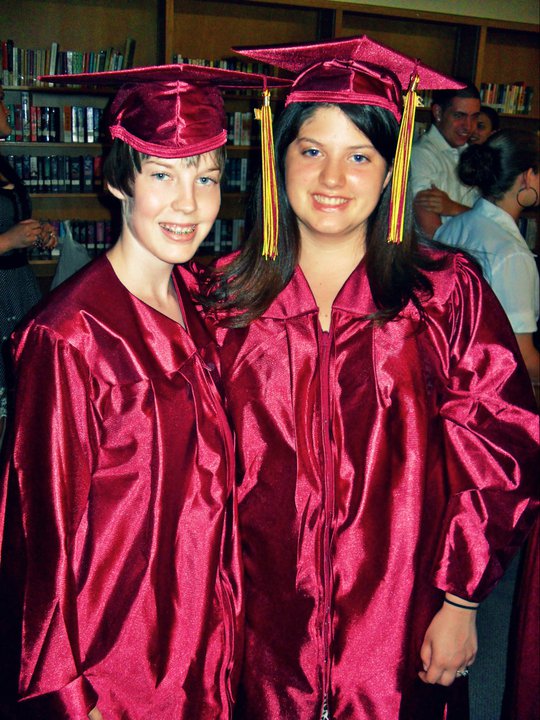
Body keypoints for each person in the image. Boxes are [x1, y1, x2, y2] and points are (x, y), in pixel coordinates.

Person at [198, 36, 539, 720]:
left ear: (392, 171)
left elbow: (498, 448)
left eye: (360, 156)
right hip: (253, 630)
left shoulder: (443, 295)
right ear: (278, 158)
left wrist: (462, 599)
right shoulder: (220, 301)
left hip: (403, 623)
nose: (332, 178)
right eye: (311, 150)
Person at [0, 64, 288, 720]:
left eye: (206, 177)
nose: (189, 204)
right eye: (162, 174)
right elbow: (41, 537)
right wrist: (75, 697)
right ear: (115, 179)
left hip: (205, 633)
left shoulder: (201, 303)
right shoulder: (69, 336)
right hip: (121, 666)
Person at [436, 129, 539, 388]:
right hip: (483, 392)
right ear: (527, 177)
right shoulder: (511, 254)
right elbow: (523, 360)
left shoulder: (452, 227)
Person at [0, 85, 56, 446]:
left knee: (21, 396)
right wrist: (9, 241)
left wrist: (38, 234)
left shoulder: (2, 159)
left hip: (18, 286)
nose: (5, 109)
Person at [410, 82, 481, 239]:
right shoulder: (421, 155)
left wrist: (453, 208)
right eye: (459, 116)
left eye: (474, 117)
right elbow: (432, 234)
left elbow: (498, 220)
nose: (468, 126)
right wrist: (477, 217)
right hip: (447, 260)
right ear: (438, 112)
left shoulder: (472, 153)